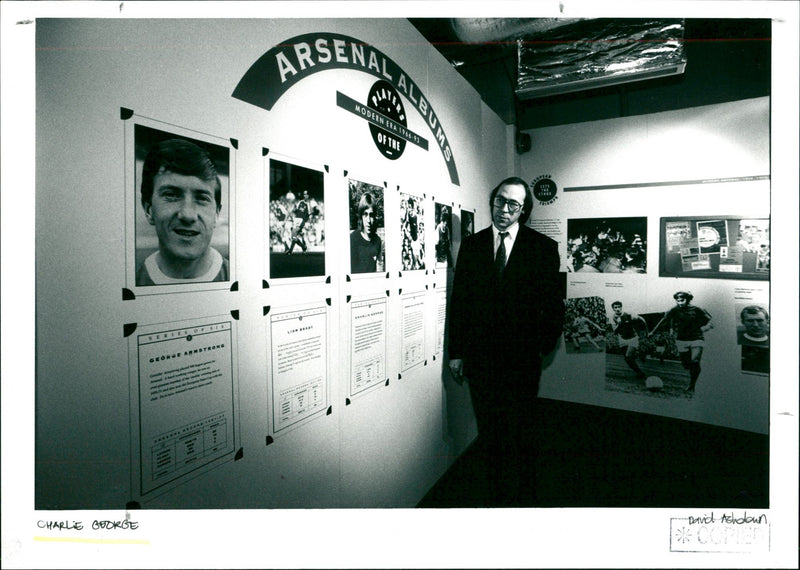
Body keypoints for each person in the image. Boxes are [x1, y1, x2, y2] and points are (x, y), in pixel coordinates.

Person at [448, 176, 564, 506]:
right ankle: (494, 494)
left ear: (524, 210)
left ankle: (524, 497)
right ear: (492, 201)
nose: (504, 209)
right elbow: (461, 304)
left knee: (521, 428)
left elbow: (554, 307)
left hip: (522, 360)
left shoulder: (542, 248)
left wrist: (541, 347)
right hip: (481, 360)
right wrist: (456, 353)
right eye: (500, 200)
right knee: (490, 428)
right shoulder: (472, 247)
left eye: (513, 204)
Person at [136, 138, 229, 285]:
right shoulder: (131, 281)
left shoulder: (238, 278)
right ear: (149, 210)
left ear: (216, 214)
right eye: (171, 195)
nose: (188, 215)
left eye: (202, 198)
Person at [649, 291, 713, 394]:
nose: (680, 303)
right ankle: (693, 374)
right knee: (686, 365)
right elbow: (663, 321)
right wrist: (652, 332)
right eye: (677, 300)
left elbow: (711, 321)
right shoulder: (673, 310)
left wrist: (705, 328)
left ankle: (692, 385)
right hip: (681, 340)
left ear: (687, 299)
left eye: (682, 300)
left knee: (695, 361)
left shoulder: (697, 309)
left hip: (697, 338)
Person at [610, 301, 648, 379]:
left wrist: (647, 332)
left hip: (632, 338)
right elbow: (615, 331)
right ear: (613, 309)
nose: (617, 309)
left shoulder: (628, 315)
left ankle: (640, 373)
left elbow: (642, 319)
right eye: (615, 307)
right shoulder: (613, 318)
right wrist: (619, 324)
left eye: (619, 307)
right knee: (627, 359)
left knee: (628, 356)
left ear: (621, 307)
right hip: (622, 339)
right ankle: (639, 371)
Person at [350, 192, 383, 273]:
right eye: (365, 214)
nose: (368, 220)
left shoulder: (378, 241)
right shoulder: (353, 238)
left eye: (371, 215)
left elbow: (380, 268)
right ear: (361, 216)